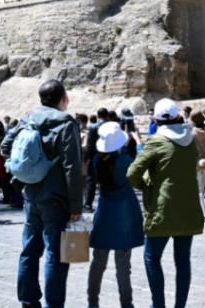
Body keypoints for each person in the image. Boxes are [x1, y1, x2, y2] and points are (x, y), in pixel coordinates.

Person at [2, 79, 83, 308]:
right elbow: (72, 167)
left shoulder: (28, 118)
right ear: (63, 98)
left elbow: (6, 146)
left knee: (29, 250)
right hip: (56, 199)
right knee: (56, 254)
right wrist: (76, 206)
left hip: (30, 194)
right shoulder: (67, 123)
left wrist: (26, 171)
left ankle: (28, 301)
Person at [127, 99, 205, 308]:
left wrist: (147, 187)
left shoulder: (156, 141)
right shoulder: (191, 138)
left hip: (163, 210)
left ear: (155, 119)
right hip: (188, 209)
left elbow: (133, 173)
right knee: (183, 261)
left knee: (152, 258)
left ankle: (158, 305)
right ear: (178, 116)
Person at [86, 122, 144, 308]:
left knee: (98, 262)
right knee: (123, 264)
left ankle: (92, 302)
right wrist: (136, 143)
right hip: (124, 214)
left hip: (104, 213)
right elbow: (140, 167)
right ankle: (126, 303)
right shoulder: (125, 160)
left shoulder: (97, 160)